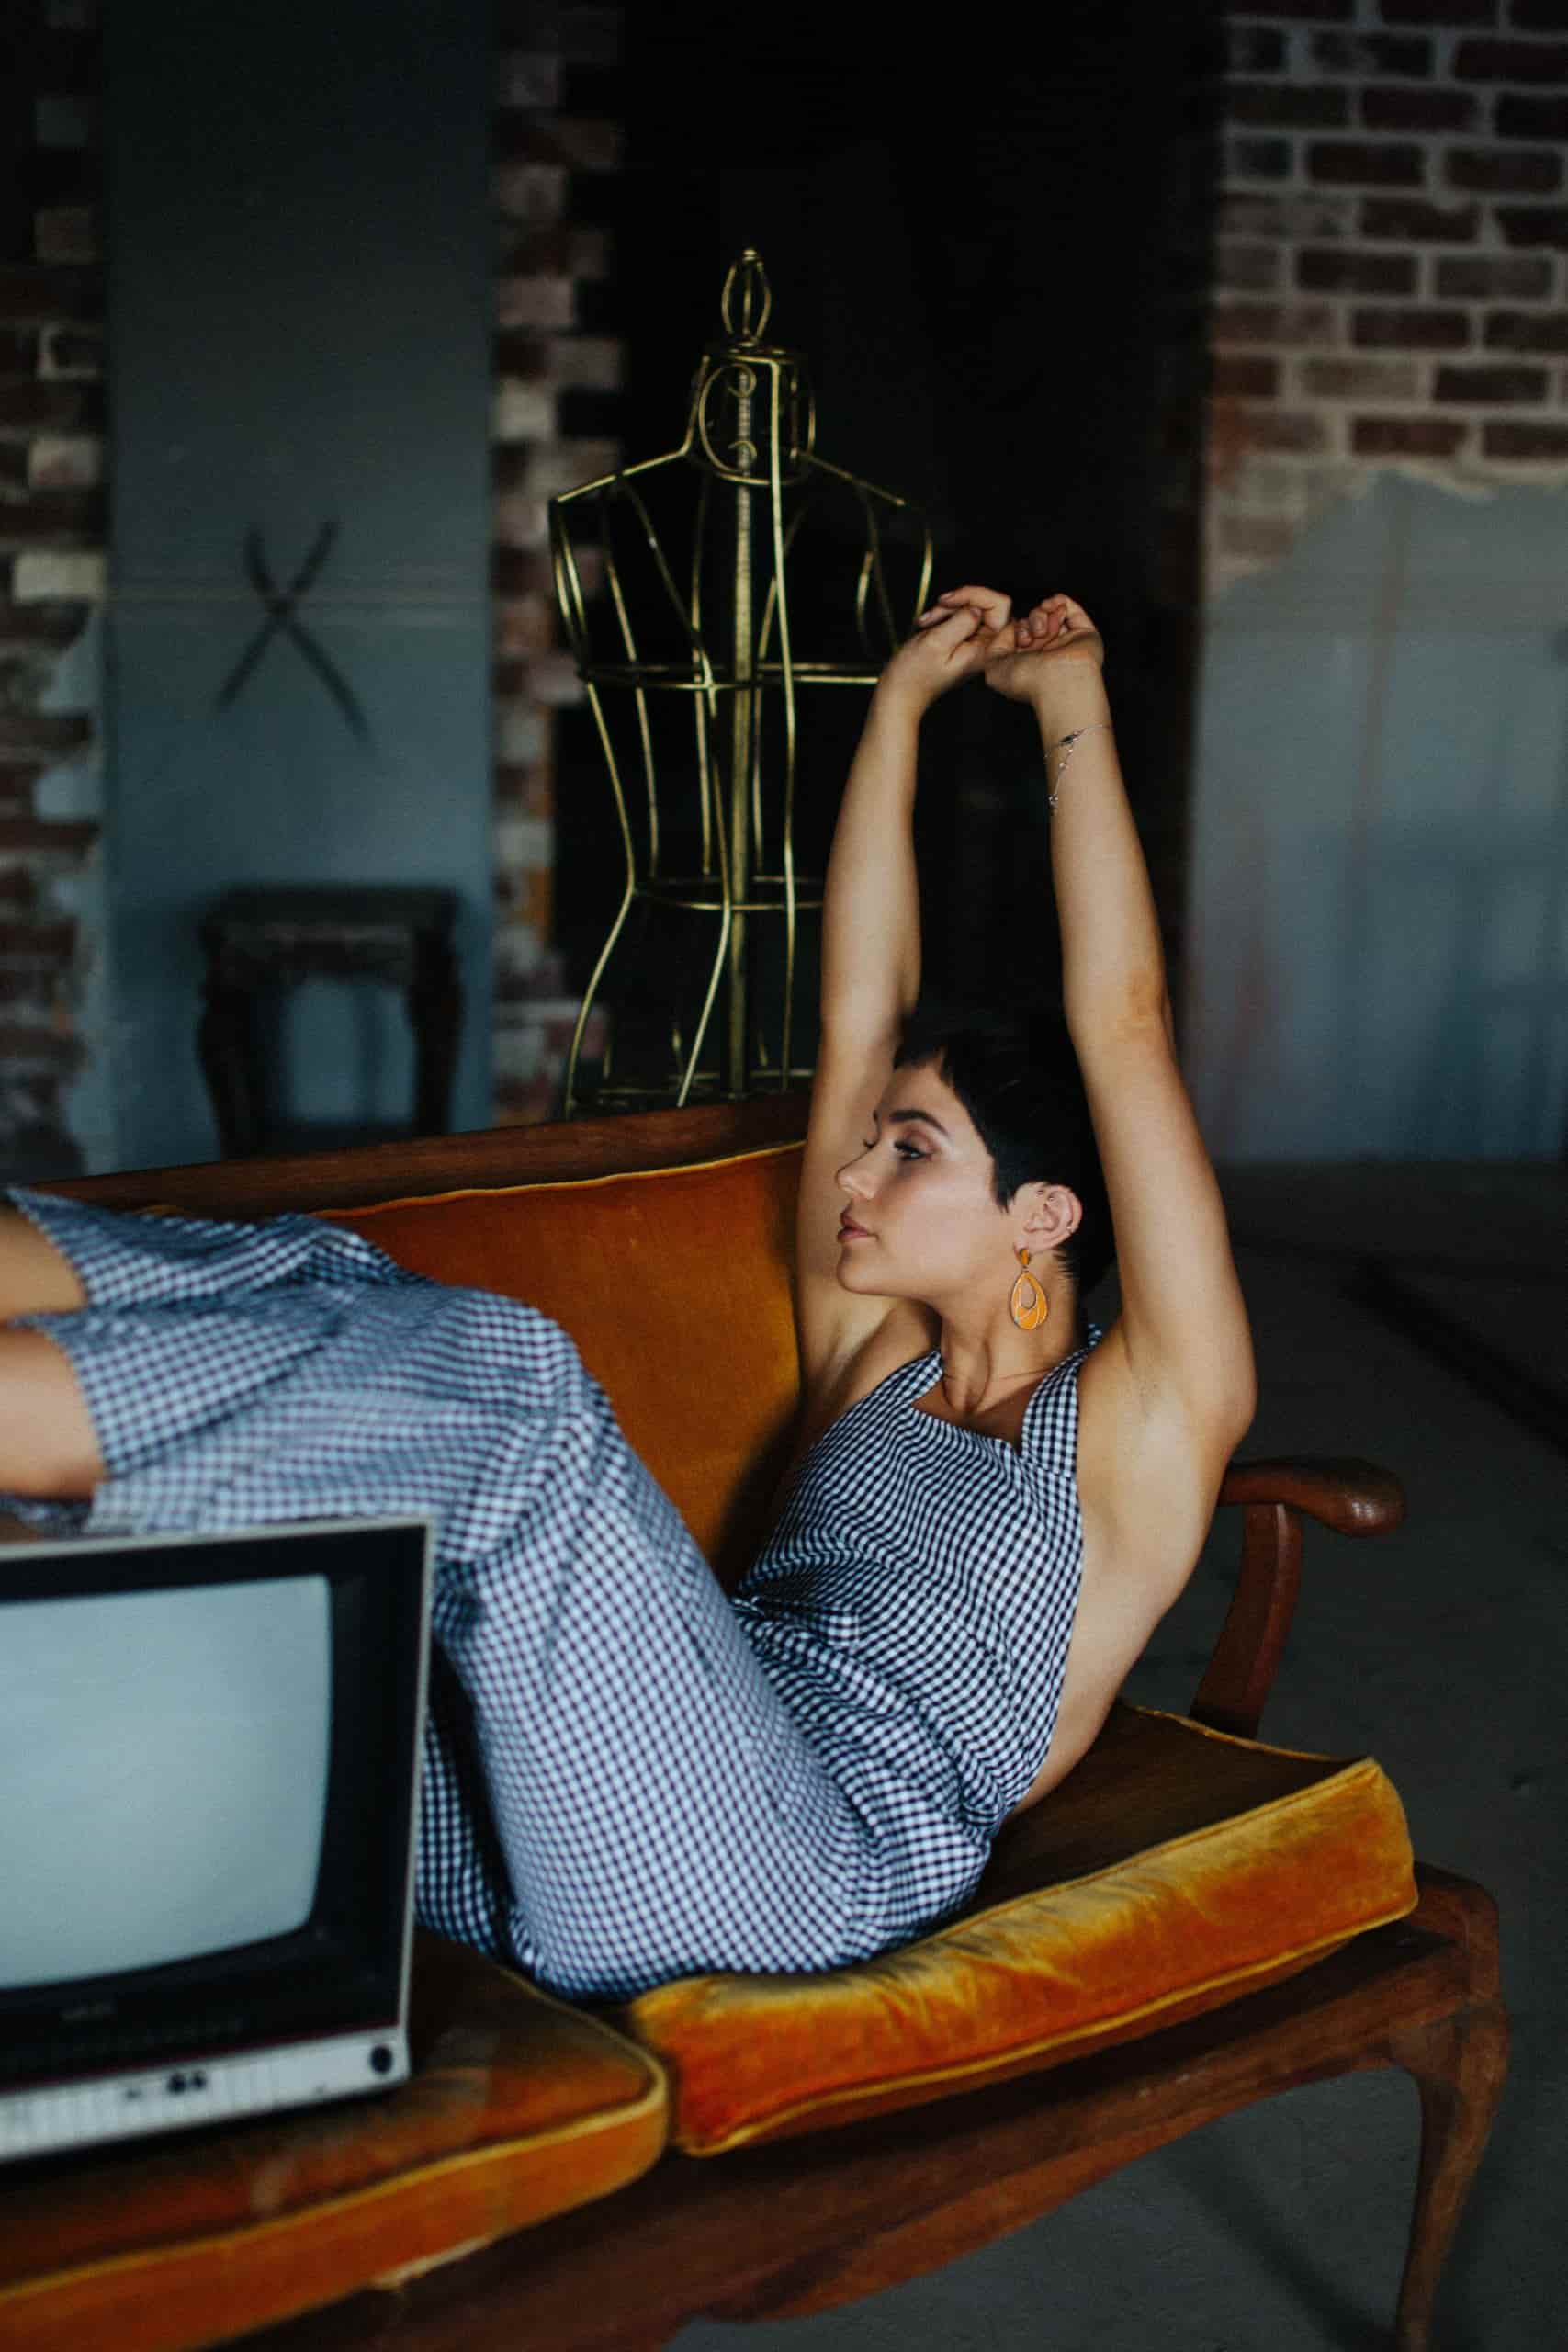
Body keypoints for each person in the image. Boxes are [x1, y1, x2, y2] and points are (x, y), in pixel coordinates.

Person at [0, 588, 1253, 2002]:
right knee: (330, 1268)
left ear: (1046, 1215)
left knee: (515, 1388)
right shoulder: (874, 1357)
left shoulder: (1142, 1431)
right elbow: (859, 1011)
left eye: (910, 1152)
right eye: (873, 1141)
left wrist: (1070, 698)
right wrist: (899, 705)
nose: (854, 1172)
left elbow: (1124, 1026)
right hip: (568, 1808)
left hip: (795, 1871)